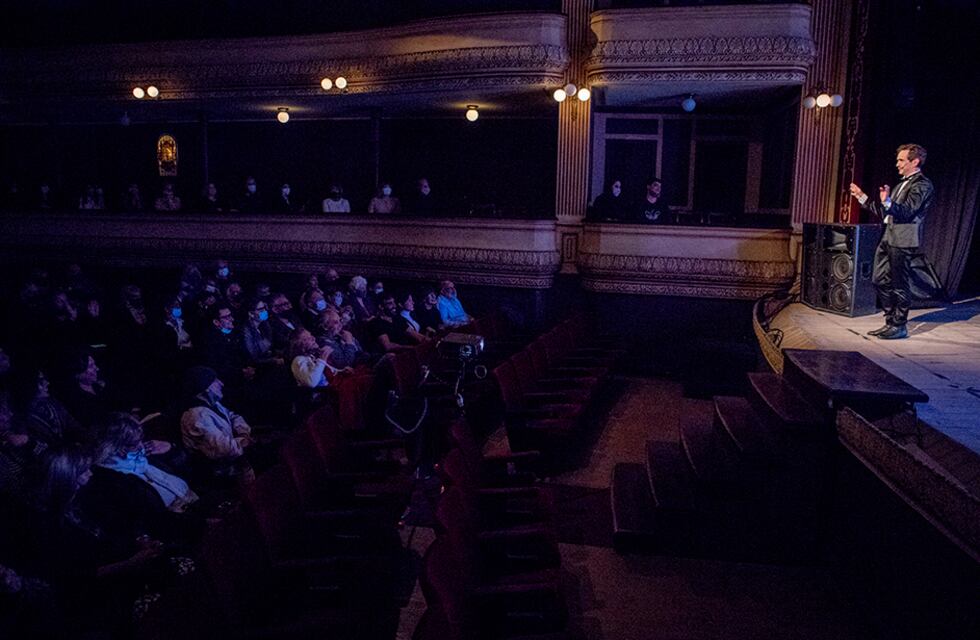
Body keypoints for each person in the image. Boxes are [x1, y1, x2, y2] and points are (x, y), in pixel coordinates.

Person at [849, 143, 935, 340]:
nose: (897, 164)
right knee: (878, 280)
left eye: (901, 160)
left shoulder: (922, 185)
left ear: (915, 161)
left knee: (899, 284)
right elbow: (885, 213)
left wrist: (888, 202)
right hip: (888, 235)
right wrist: (862, 197)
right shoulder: (899, 185)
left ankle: (899, 325)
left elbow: (907, 212)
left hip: (903, 239)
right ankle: (890, 321)